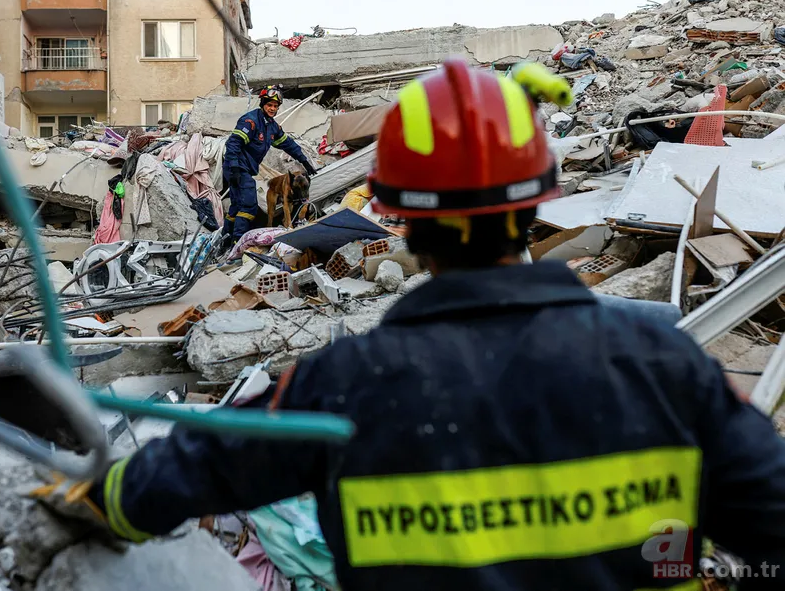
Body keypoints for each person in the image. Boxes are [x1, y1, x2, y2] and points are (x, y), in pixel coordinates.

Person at [38, 59, 785, 591]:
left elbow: (196, 466)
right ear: (537, 203)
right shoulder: (663, 362)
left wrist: (97, 496)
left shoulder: (341, 388)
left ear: (398, 220)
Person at [222, 86, 318, 246]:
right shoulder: (251, 121)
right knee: (249, 205)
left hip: (242, 169)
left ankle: (225, 240)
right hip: (237, 167)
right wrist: (234, 168)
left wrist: (305, 162)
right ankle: (237, 242)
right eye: (269, 105)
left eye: (275, 106)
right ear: (263, 104)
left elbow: (288, 144)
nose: (273, 109)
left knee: (237, 205)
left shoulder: (272, 127)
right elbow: (233, 144)